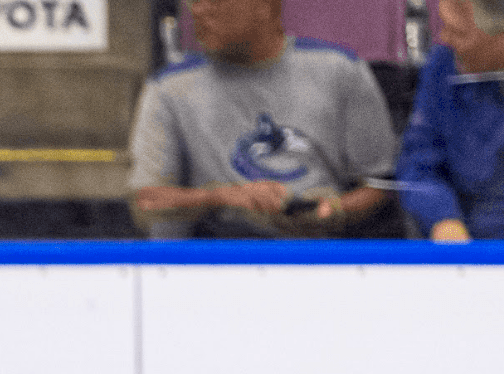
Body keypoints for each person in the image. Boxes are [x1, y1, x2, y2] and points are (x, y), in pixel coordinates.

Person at [129, 0, 398, 237]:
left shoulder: (340, 70)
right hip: (215, 258)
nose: (199, 10)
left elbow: (382, 185)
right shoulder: (168, 88)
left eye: (215, 0)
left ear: (265, 6)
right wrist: (220, 197)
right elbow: (146, 202)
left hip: (322, 254)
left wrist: (335, 209)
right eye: (195, 1)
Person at [397, 0, 504, 241]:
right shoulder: (442, 65)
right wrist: (442, 219)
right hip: (462, 247)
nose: (445, 38)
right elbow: (418, 163)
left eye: (459, 32)